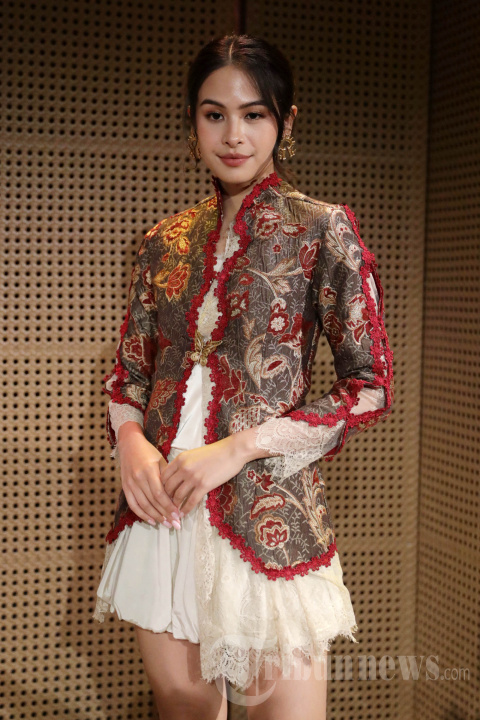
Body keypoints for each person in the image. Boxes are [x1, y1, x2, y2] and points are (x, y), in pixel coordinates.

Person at [94, 33, 393, 720]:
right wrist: (130, 443)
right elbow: (129, 375)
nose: (234, 135)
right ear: (193, 122)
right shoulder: (163, 242)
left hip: (269, 518)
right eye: (215, 114)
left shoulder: (323, 230)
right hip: (162, 513)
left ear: (286, 122)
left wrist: (237, 449)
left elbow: (369, 387)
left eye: (254, 114)